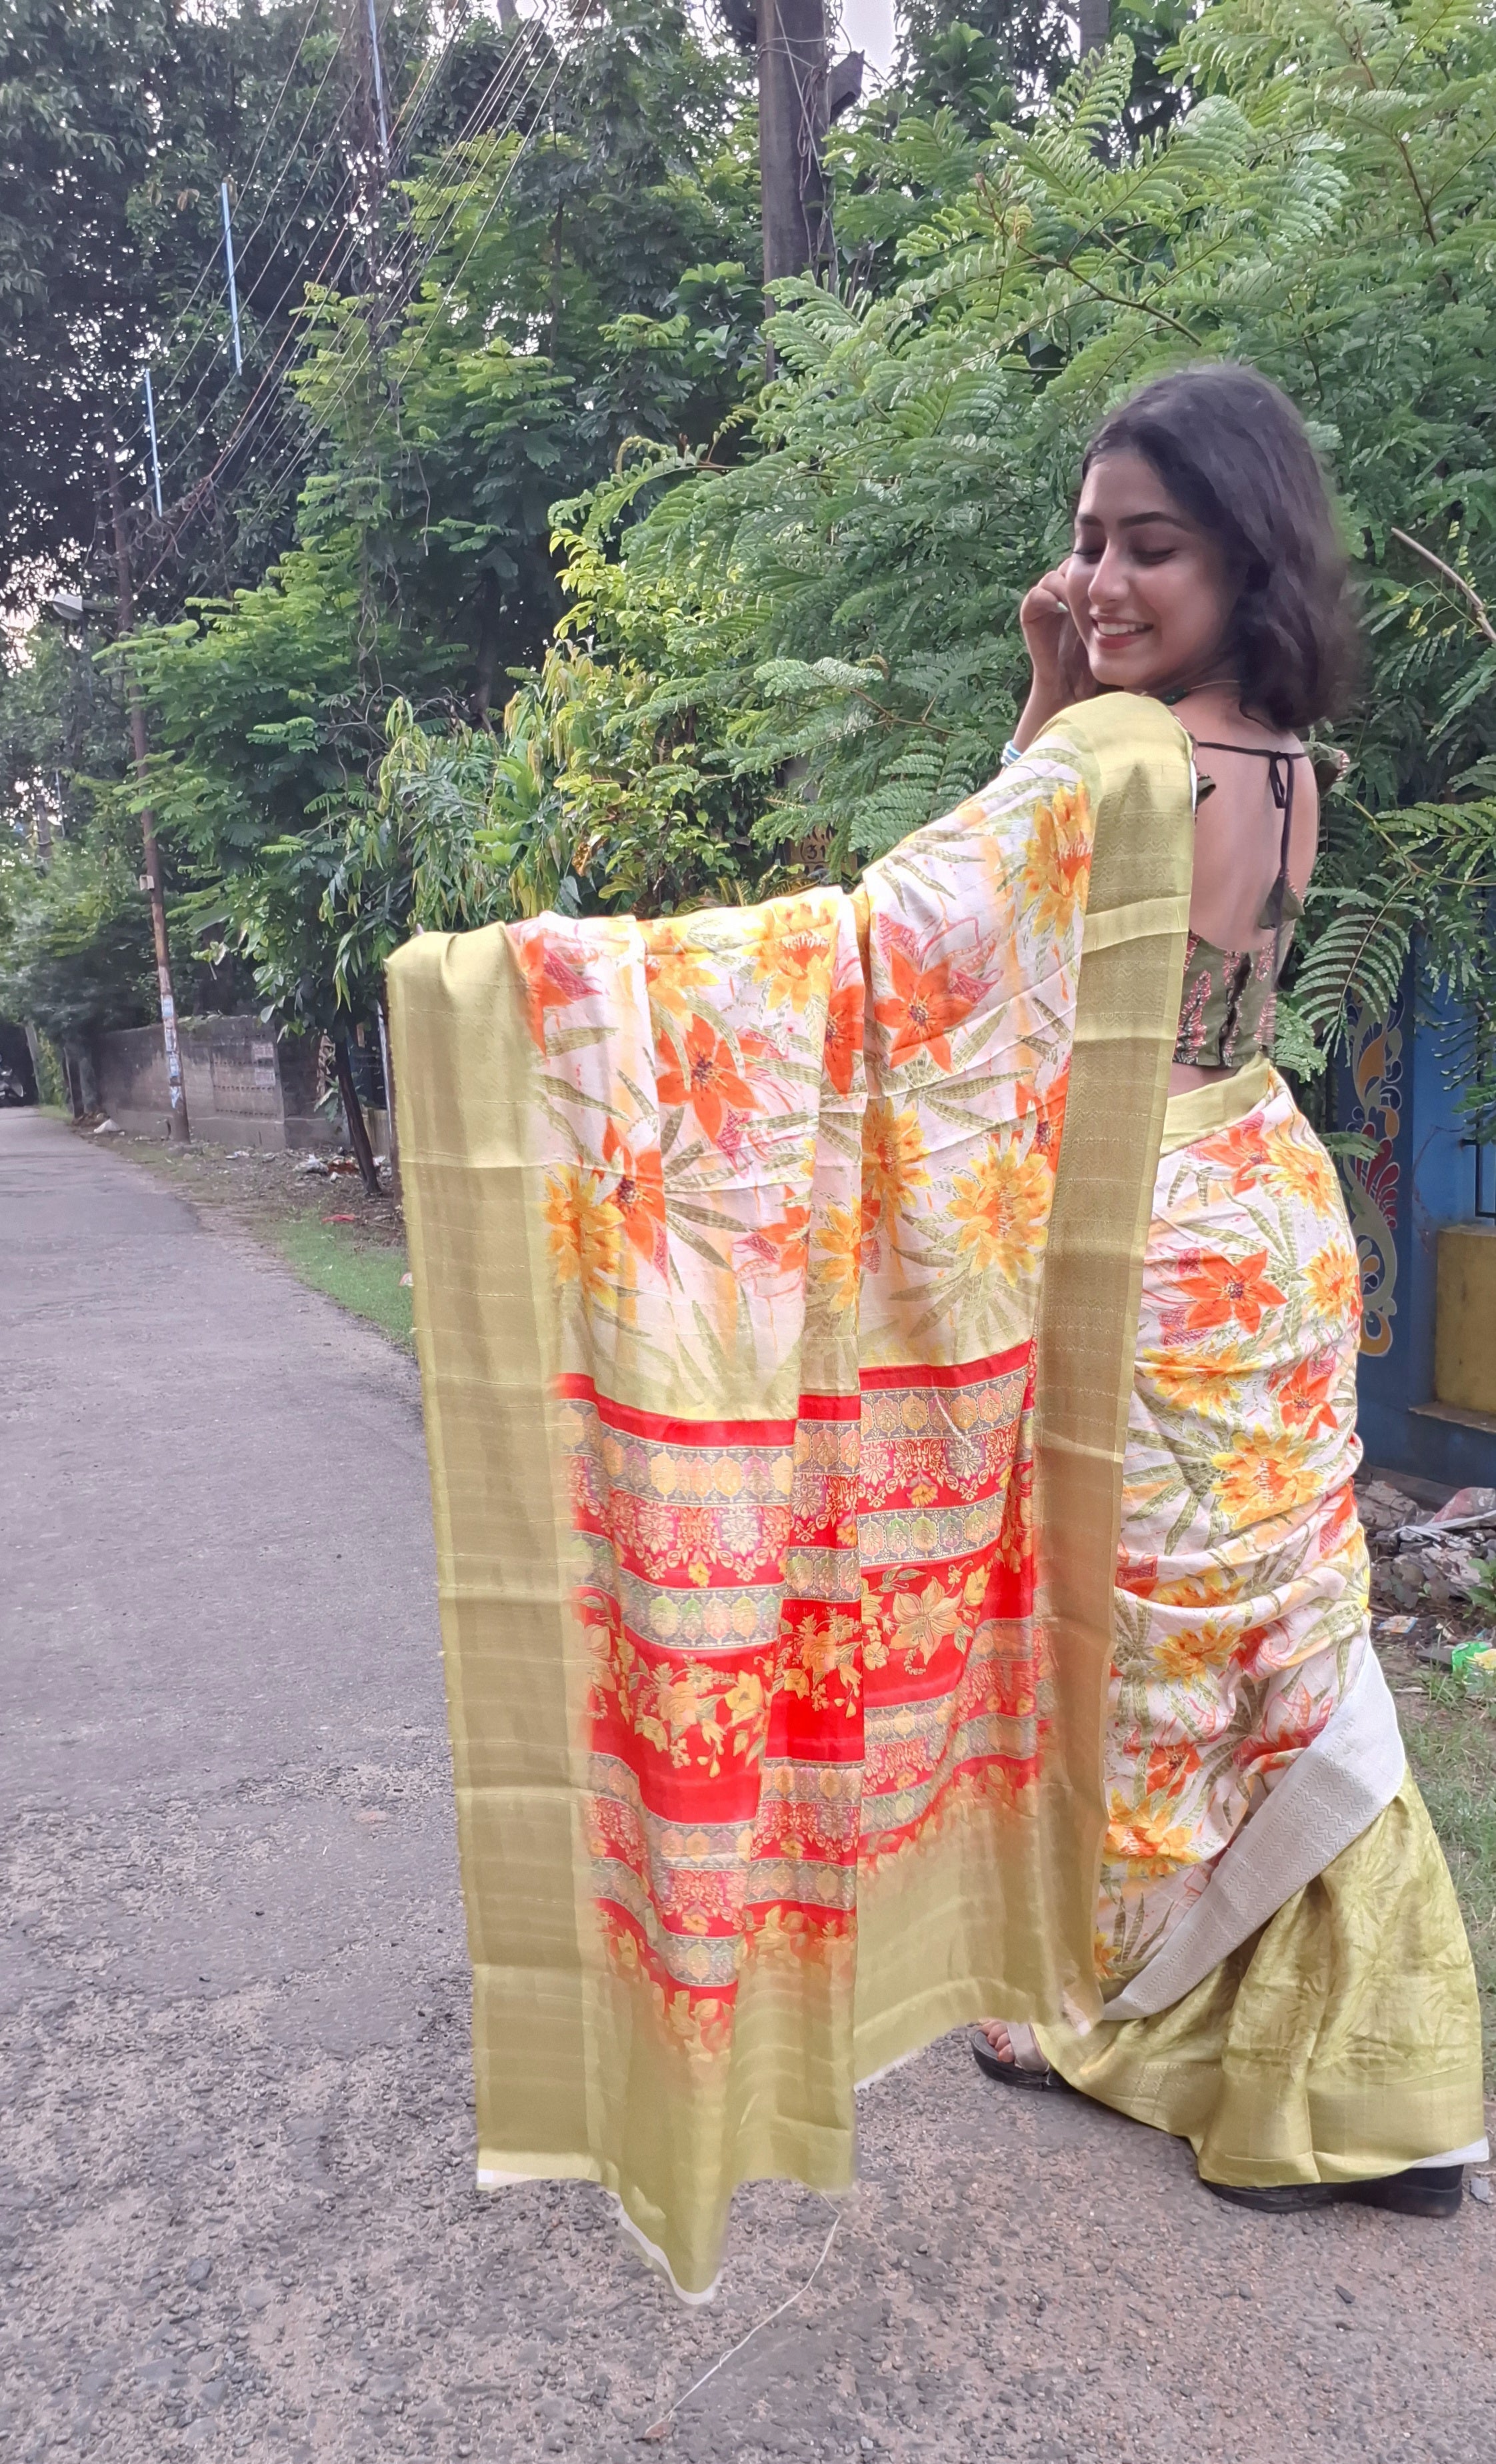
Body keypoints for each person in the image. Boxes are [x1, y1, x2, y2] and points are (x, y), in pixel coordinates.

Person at [971, 361, 1487, 2217]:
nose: (1098, 579)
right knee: (1276, 1647)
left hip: (1142, 1215)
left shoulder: (1121, 754)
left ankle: (1142, 2020)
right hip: (1264, 1203)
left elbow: (972, 934)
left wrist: (1042, 689)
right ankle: (1378, 2081)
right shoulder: (1279, 757)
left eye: (1148, 547)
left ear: (1242, 555)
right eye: (1086, 539)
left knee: (1148, 1670)